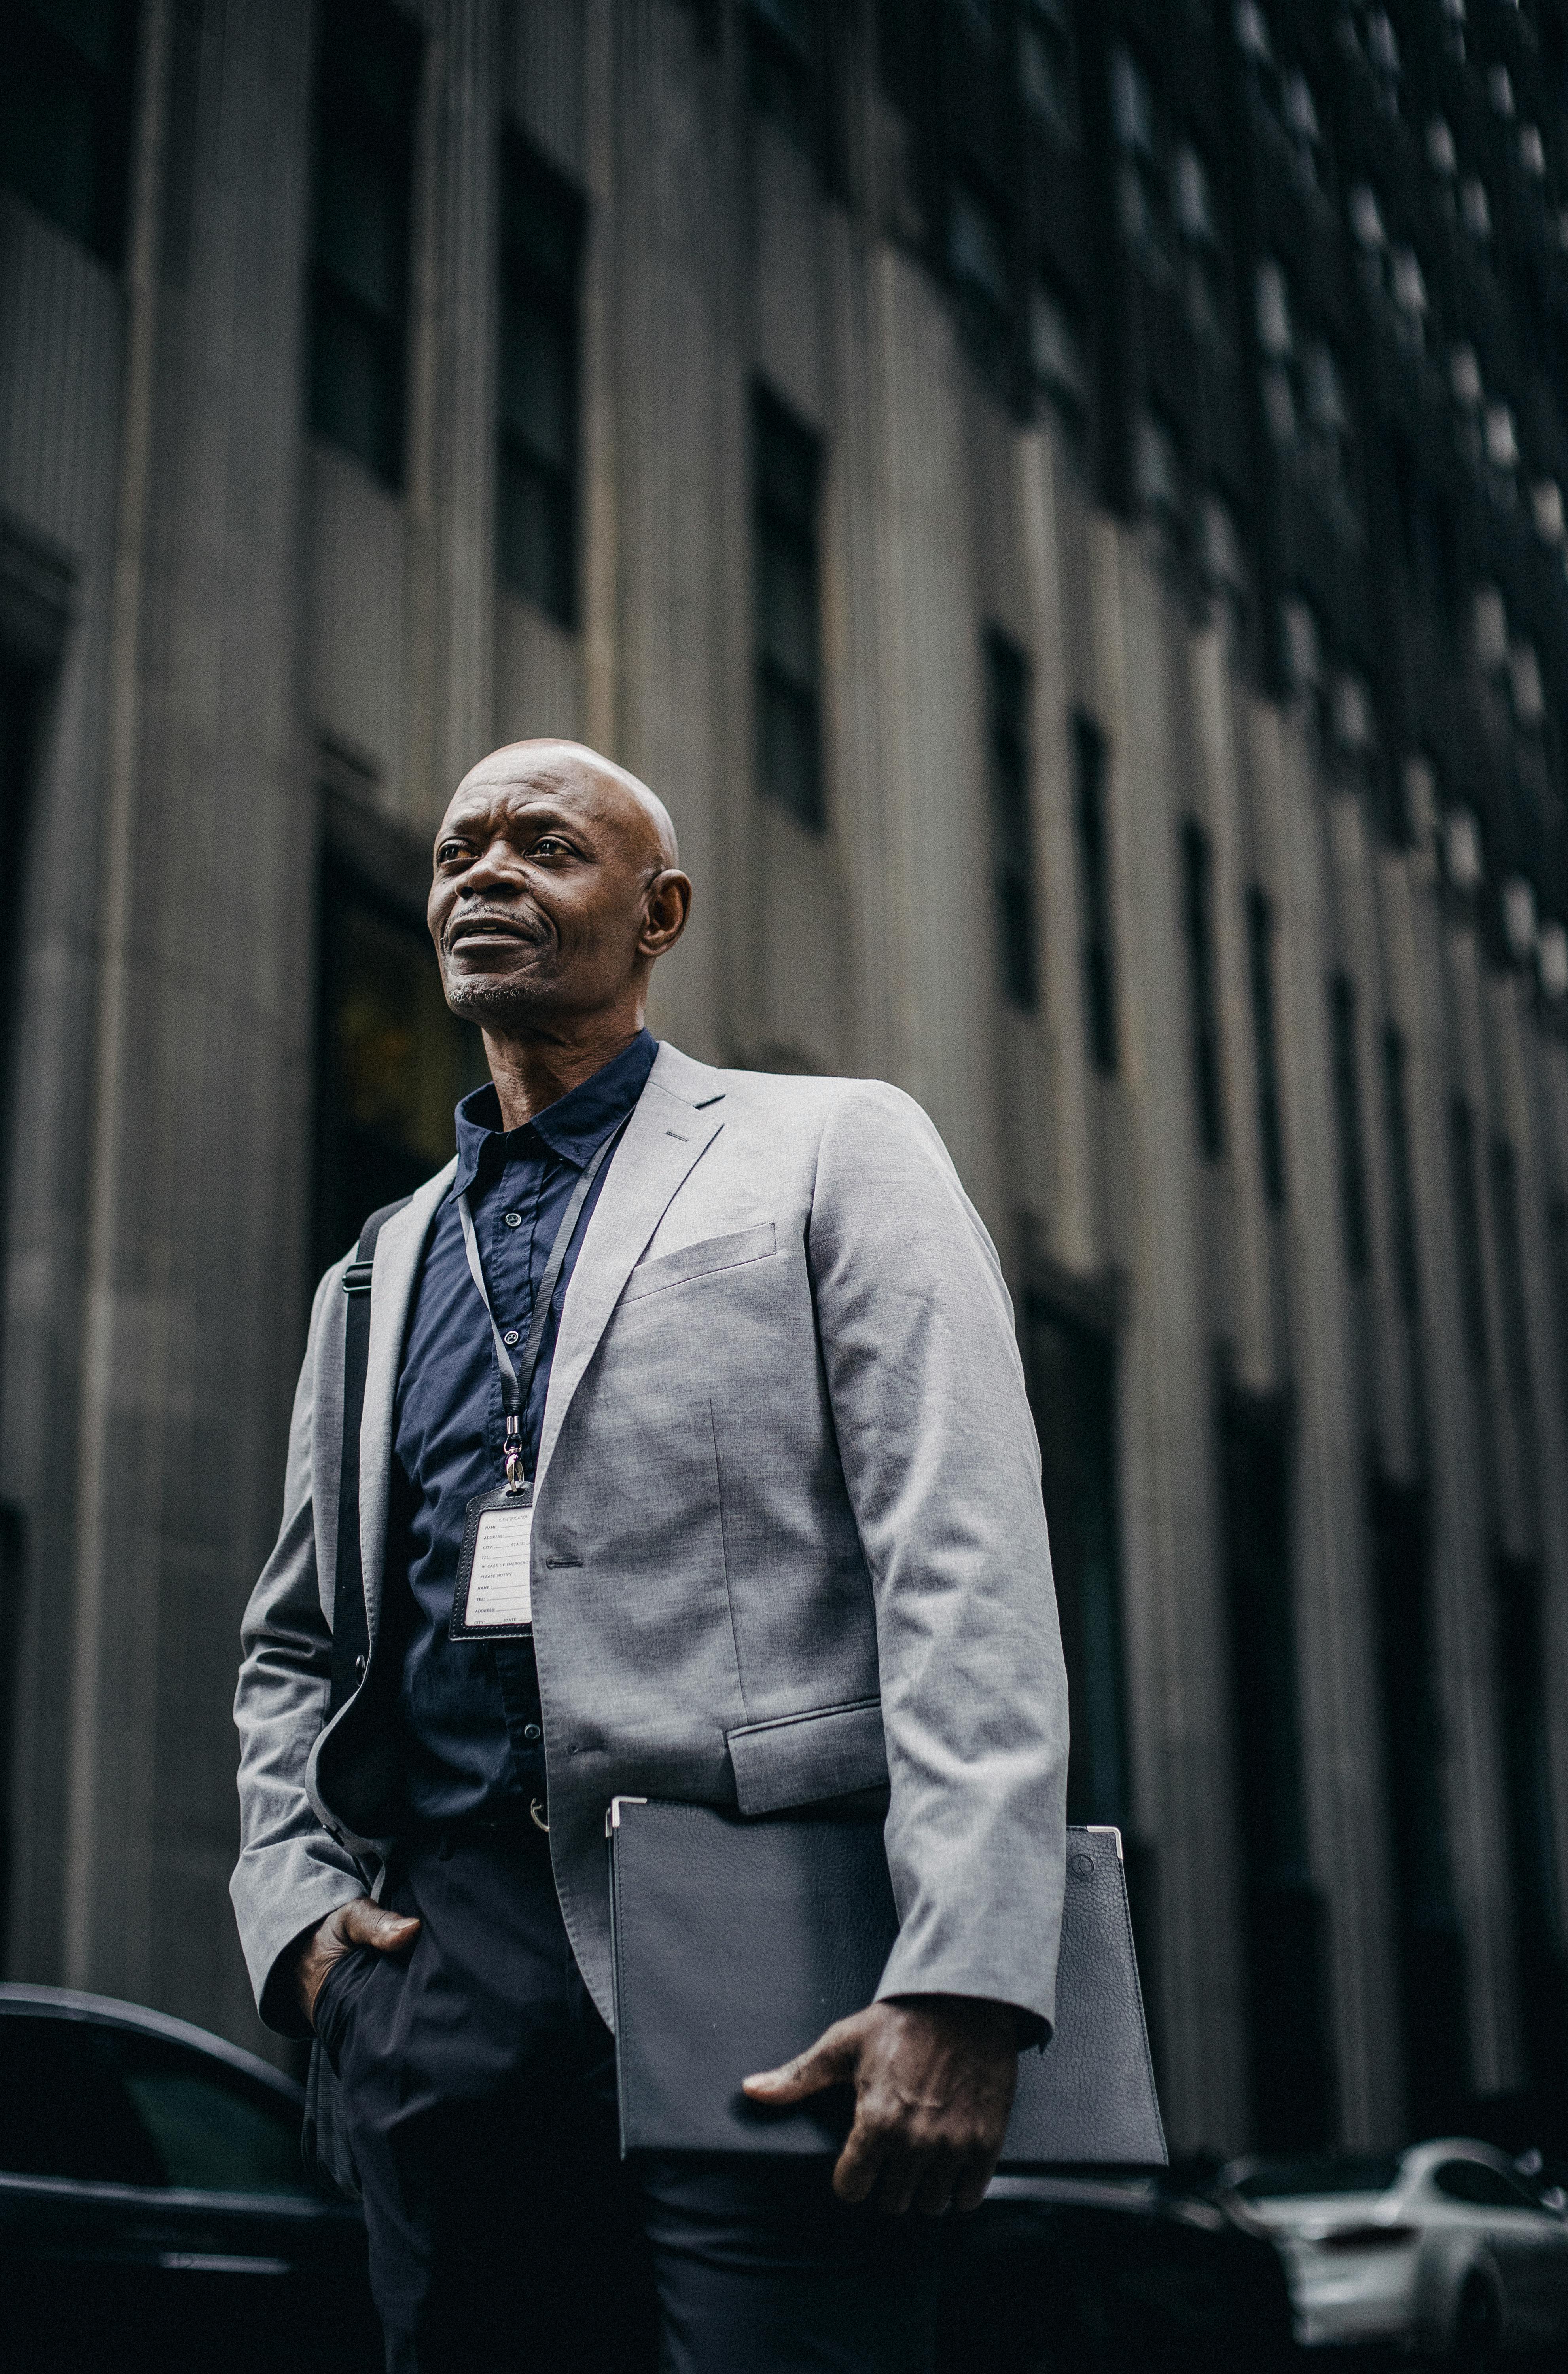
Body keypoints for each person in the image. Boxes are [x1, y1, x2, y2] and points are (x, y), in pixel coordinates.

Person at [232, 738, 1068, 2372]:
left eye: (545, 847)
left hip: (775, 1962)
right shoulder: (378, 1268)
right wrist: (301, 1927)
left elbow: (960, 1559)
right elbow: (291, 1642)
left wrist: (965, 1973)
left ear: (659, 911)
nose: (485, 873)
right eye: (461, 847)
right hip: (436, 1987)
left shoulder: (835, 1148)